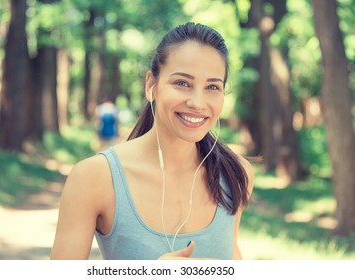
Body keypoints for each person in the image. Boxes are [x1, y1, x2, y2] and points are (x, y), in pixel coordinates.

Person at [51, 22, 254, 260]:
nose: (198, 103)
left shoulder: (237, 174)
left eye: (212, 86)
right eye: (182, 83)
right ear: (151, 85)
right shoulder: (93, 178)